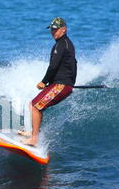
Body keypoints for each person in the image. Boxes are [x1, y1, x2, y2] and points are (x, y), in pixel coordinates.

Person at [19, 17, 77, 146]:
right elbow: (71, 65)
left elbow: (53, 66)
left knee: (35, 106)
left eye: (55, 30)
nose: (53, 32)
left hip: (61, 85)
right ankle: (34, 132)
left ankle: (34, 139)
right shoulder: (66, 44)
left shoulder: (62, 44)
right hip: (61, 84)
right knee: (35, 105)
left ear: (64, 30)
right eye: (51, 29)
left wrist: (44, 81)